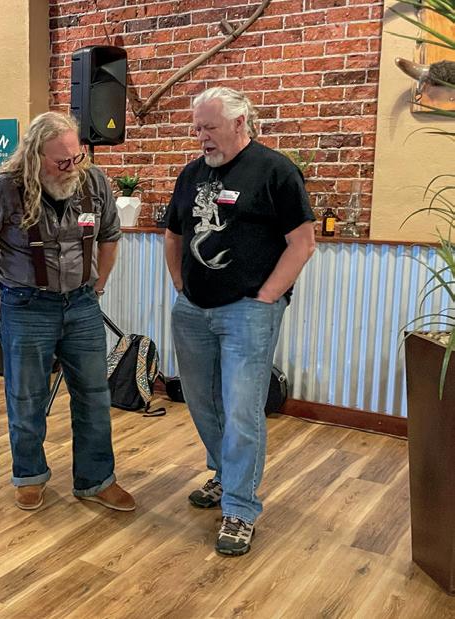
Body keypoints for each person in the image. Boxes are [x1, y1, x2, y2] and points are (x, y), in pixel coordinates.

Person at [164, 87, 315, 556]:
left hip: (249, 312)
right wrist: (180, 285)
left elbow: (303, 243)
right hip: (193, 310)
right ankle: (225, 474)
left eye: (209, 127)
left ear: (239, 122)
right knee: (201, 400)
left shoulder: (275, 171)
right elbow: (172, 234)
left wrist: (267, 297)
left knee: (242, 409)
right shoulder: (191, 174)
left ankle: (240, 507)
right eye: (196, 128)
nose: (201, 136)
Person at [0, 111, 135, 513]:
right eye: (61, 161)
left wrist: (99, 285)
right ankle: (29, 476)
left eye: (76, 157)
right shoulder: (4, 189)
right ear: (34, 155)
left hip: (82, 304)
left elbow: (109, 236)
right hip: (26, 306)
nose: (71, 167)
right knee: (26, 397)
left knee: (94, 395)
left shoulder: (93, 182)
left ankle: (96, 480)